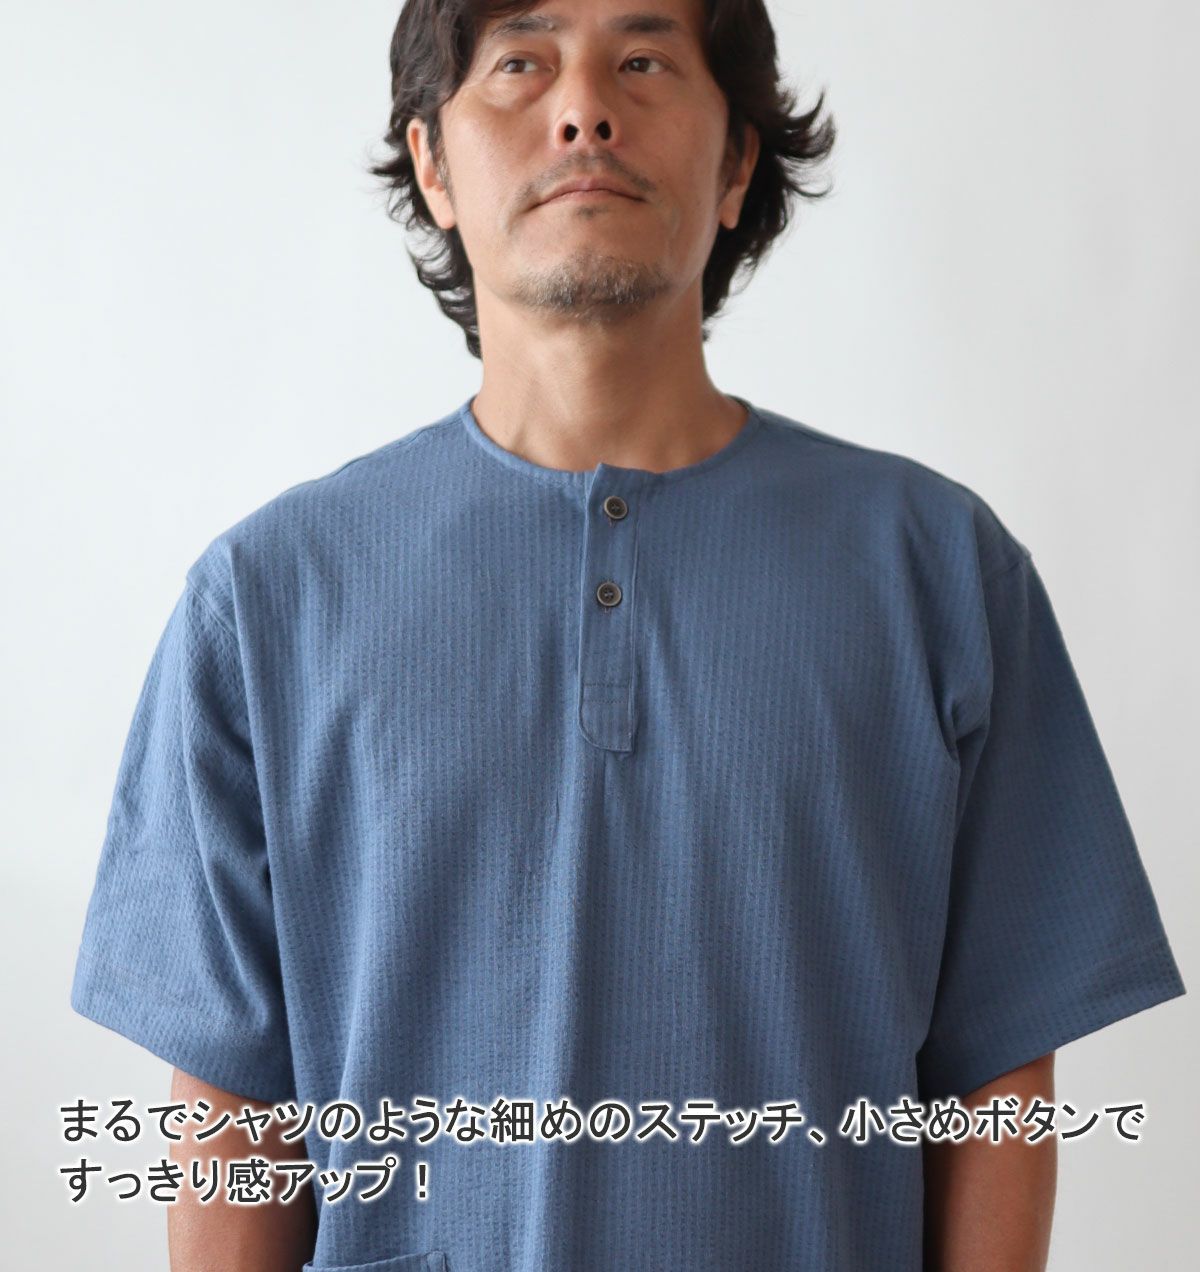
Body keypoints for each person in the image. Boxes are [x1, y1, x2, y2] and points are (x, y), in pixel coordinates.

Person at [70, 1, 1186, 1268]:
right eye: (521, 63)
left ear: (737, 161)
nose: (584, 110)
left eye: (644, 61)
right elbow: (234, 1120)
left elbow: (997, 1082)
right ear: (433, 163)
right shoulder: (267, 603)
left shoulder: (940, 574)